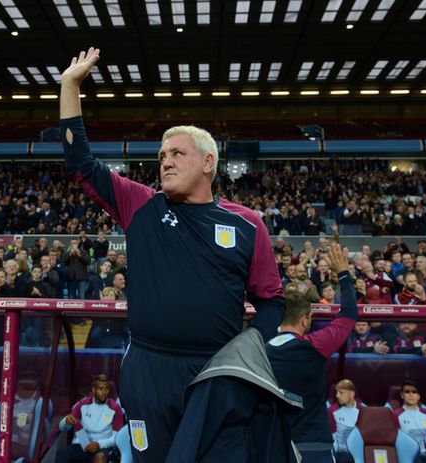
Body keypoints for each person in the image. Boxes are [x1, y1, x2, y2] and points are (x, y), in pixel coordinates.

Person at [60, 48, 284, 461]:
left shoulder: (248, 224)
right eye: (162, 156)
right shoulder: (142, 205)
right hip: (148, 369)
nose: (165, 161)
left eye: (177, 153)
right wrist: (70, 86)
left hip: (216, 372)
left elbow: (271, 301)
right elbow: (80, 162)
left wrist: (251, 346)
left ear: (208, 162)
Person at [267, 243, 356, 462]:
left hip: (273, 442)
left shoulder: (261, 348)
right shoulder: (313, 346)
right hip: (313, 444)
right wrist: (344, 274)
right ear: (305, 319)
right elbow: (349, 315)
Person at [56, 374, 125, 463]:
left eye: (107, 389)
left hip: (103, 446)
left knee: (100, 458)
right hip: (82, 445)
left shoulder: (115, 408)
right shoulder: (82, 404)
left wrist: (99, 444)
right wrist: (66, 421)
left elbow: (117, 437)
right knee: (62, 454)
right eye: (100, 389)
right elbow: (62, 428)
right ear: (94, 389)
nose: (104, 392)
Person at [392, 380, 426, 456]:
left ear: (418, 396)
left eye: (414, 392)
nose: (411, 394)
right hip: (409, 454)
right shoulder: (396, 415)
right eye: (407, 392)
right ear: (402, 395)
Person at [328, 379, 364, 463]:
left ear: (351, 394)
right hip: (341, 452)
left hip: (359, 451)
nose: (337, 396)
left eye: (341, 392)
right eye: (336, 392)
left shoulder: (364, 410)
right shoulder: (332, 411)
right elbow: (332, 435)